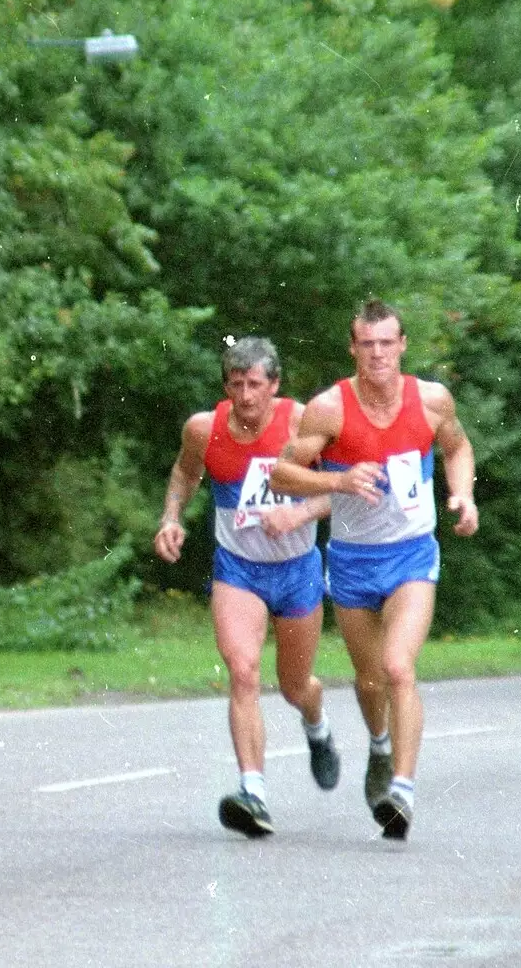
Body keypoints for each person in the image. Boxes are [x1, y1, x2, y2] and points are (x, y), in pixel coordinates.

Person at [270, 300, 479, 841]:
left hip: (411, 553)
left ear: (403, 345)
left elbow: (458, 449)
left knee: (398, 667)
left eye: (388, 343)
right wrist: (337, 482)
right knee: (368, 680)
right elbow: (282, 476)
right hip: (352, 560)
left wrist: (463, 495)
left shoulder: (432, 401)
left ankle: (402, 792)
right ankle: (380, 747)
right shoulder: (329, 410)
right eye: (368, 344)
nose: (378, 354)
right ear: (353, 349)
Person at [153, 336, 338, 839]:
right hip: (238, 568)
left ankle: (317, 727)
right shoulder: (204, 429)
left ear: (274, 386)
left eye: (255, 385)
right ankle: (253, 792)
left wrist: (299, 510)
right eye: (236, 384)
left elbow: (345, 492)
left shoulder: (304, 422)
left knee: (296, 686)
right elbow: (184, 474)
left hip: (297, 567)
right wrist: (172, 518)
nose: (246, 396)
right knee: (242, 671)